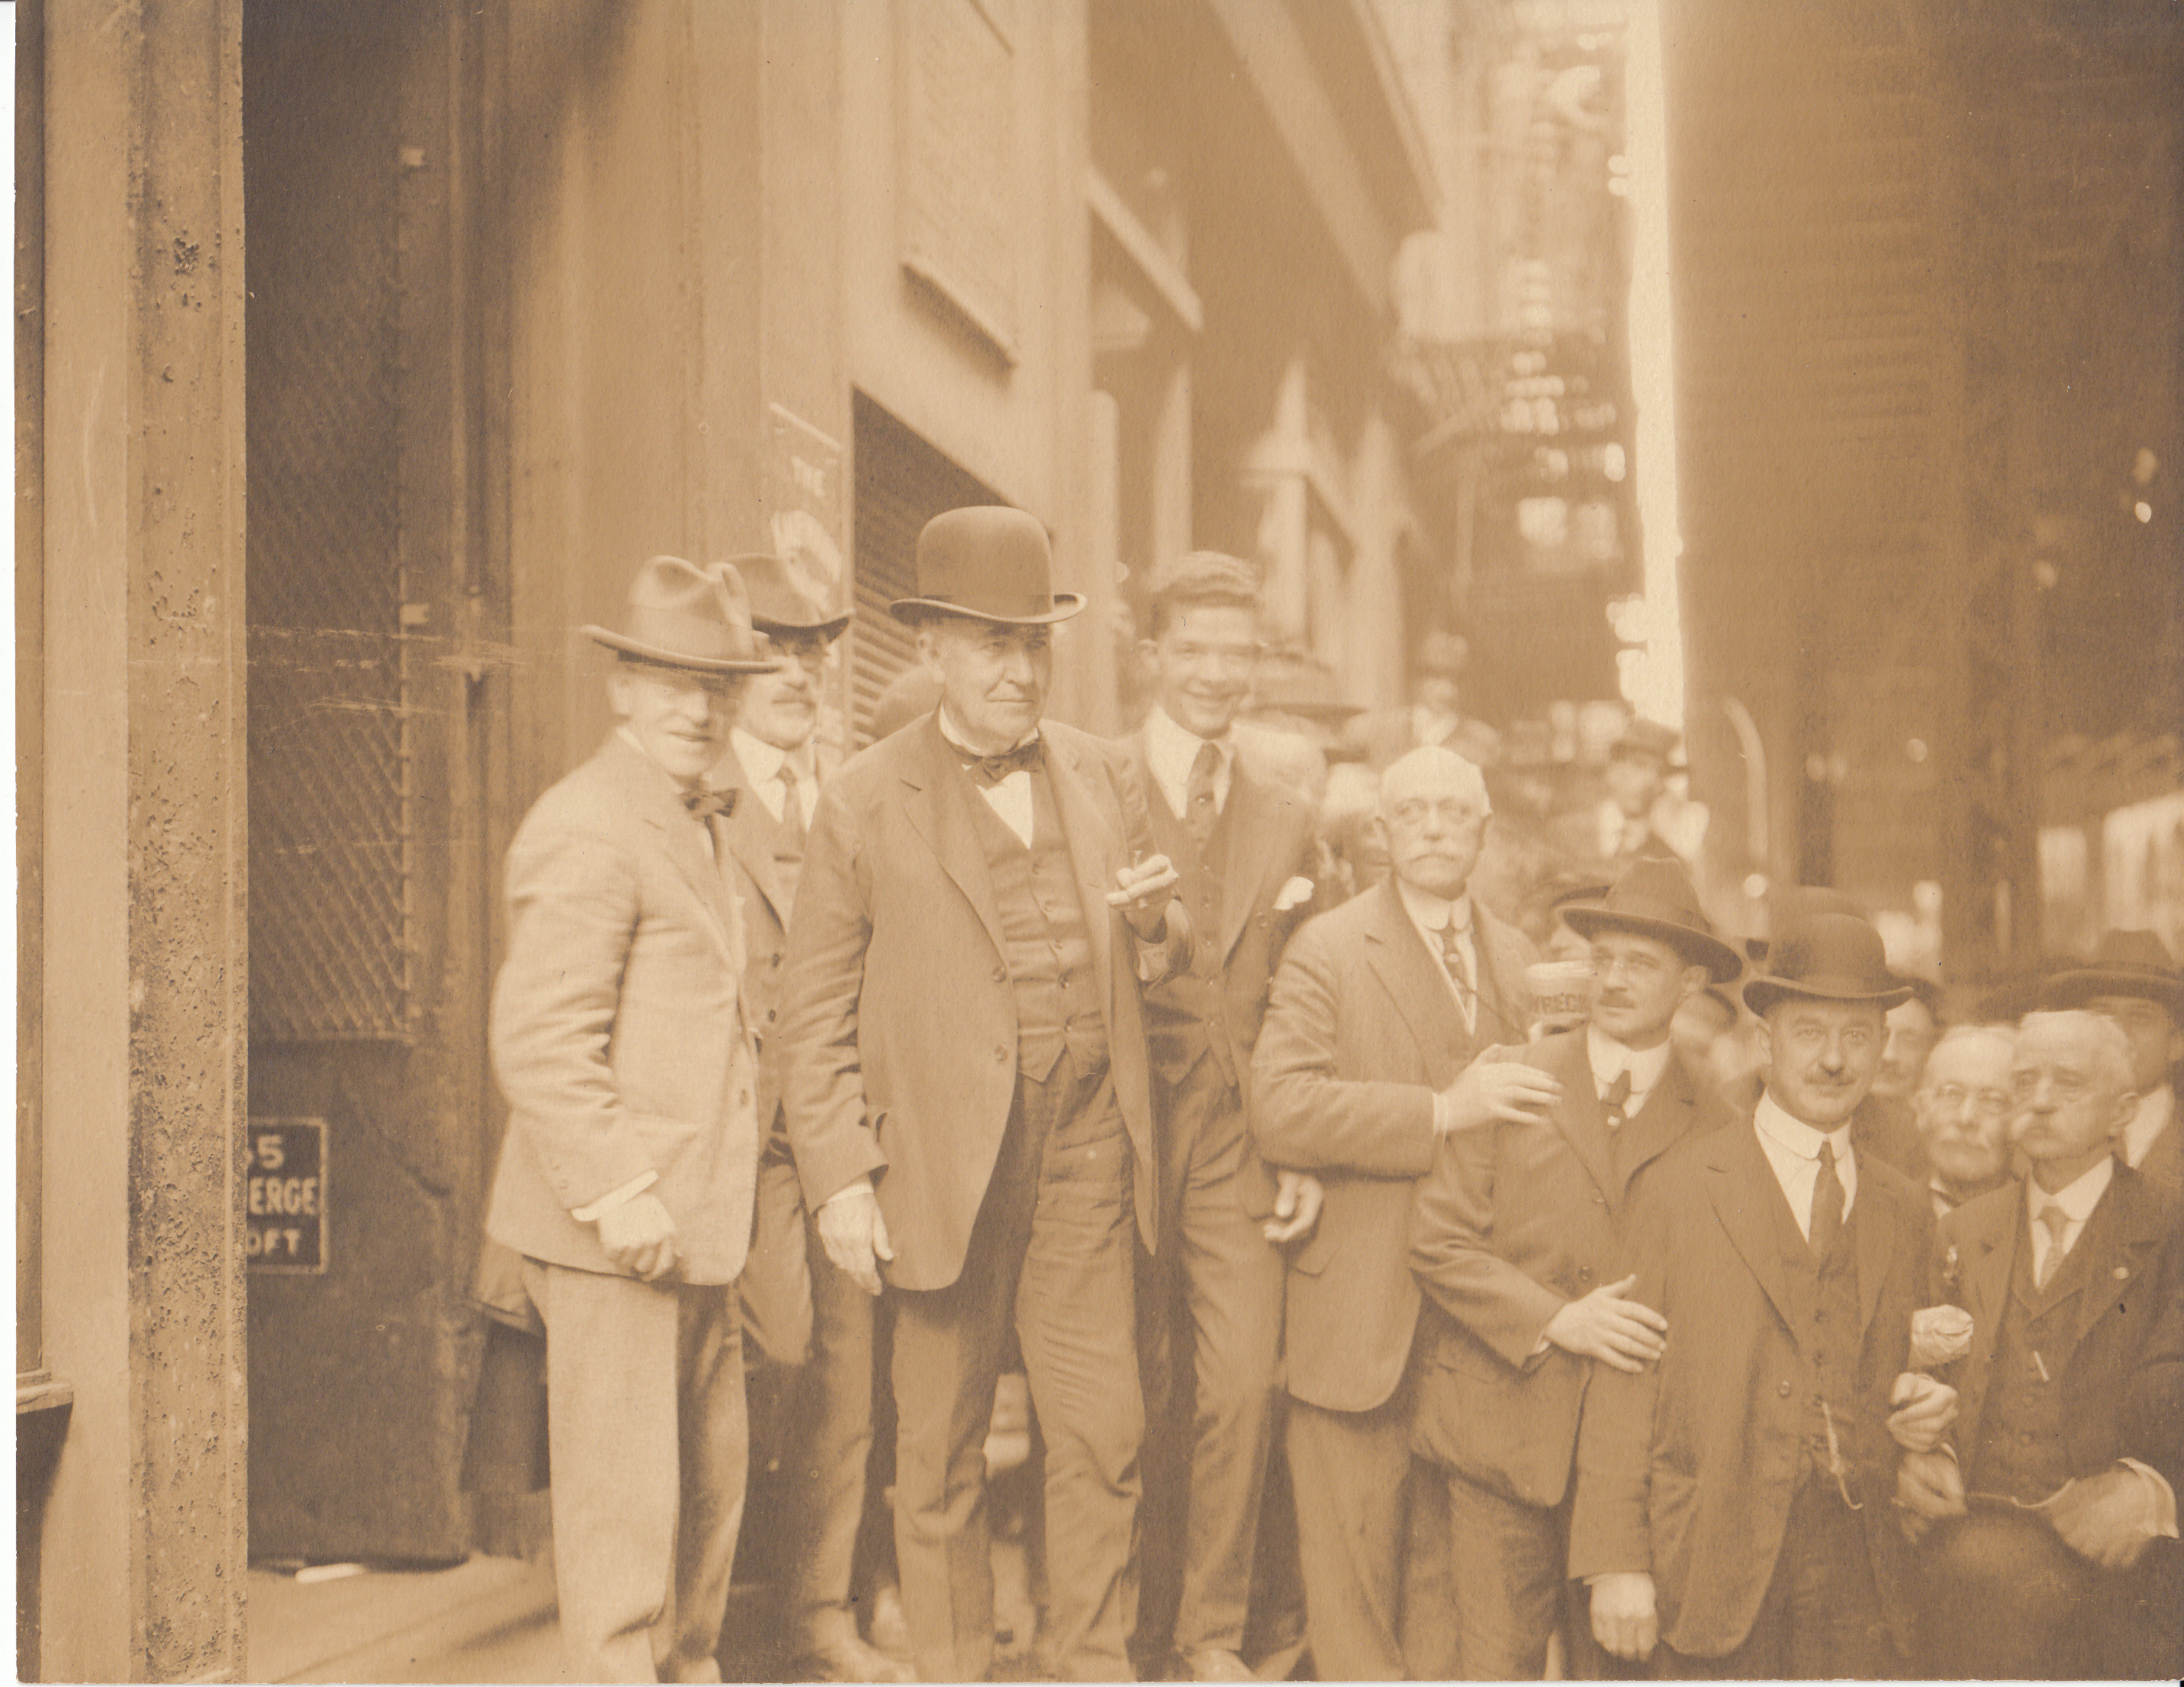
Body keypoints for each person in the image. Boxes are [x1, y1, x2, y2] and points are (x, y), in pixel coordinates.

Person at [776, 506, 1189, 1682]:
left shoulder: (1106, 773)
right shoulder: (862, 799)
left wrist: (1158, 928)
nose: (1020, 671)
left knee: (1104, 1435)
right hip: (940, 1167)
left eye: (1036, 645)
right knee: (940, 1453)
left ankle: (1092, 1666)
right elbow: (807, 1013)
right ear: (934, 652)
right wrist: (842, 1178)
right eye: (993, 645)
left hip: (1088, 1151)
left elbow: (1163, 952)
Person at [482, 557, 779, 1681]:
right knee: (624, 1529)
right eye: (672, 682)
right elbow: (541, 1042)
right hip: (620, 1237)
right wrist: (618, 1193)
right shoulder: (590, 824)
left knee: (706, 1503)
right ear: (623, 690)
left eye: (721, 685)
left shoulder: (693, 818)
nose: (701, 709)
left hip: (699, 1227)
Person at [1569, 909, 1951, 1679]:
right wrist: (1615, 1562)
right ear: (1763, 1040)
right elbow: (1621, 1386)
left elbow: (1912, 1375)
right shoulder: (1679, 1186)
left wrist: (1930, 1424)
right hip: (1710, 1563)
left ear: (1883, 1047)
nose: (1834, 1060)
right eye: (1809, 1032)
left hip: (1860, 1572)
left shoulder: (1901, 1204)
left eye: (1857, 1036)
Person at [1408, 856, 1740, 1680]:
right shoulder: (1509, 1077)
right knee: (1493, 1668)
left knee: (1621, 1667)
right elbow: (1437, 1242)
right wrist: (1556, 1318)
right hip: (1501, 1436)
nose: (1613, 980)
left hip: (1635, 1472)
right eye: (1602, 960)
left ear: (1691, 980)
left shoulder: (1720, 1126)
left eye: (1640, 964)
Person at [1251, 746, 1543, 1679]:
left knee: (1454, 1594)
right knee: (1353, 1592)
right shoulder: (1328, 948)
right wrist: (1437, 1111)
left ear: (1483, 831)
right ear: (1380, 832)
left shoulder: (1524, 961)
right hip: (1359, 1313)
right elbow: (1280, 1106)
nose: (1430, 827)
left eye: (1451, 812)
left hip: (1476, 1321)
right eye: (1409, 810)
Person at [1119, 551, 1324, 1682]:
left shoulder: (1287, 815)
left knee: (1244, 1382)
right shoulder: (1090, 781)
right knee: (1122, 1389)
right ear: (1151, 655)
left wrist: (1297, 1144)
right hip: (1112, 1132)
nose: (1214, 673)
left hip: (1237, 1135)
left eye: (1235, 652)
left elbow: (1303, 988)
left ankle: (1208, 1634)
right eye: (1191, 649)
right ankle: (1107, 1626)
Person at [710, 558, 909, 1683]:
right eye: (774, 649)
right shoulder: (700, 793)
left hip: (838, 1123)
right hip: (729, 1136)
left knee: (848, 1375)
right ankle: (716, 1597)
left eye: (815, 651)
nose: (798, 671)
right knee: (767, 1352)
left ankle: (819, 1611)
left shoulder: (850, 794)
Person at [1897, 1011, 2184, 1678]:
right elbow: (1927, 1382)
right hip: (1968, 1576)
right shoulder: (1963, 1233)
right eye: (2023, 1083)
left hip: (2124, 1589)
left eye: (2069, 1084)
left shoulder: (2170, 1230)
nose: (2042, 1101)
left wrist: (2157, 1492)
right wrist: (1925, 1452)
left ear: (2123, 1111)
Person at [2044, 927, 2184, 1207]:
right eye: (2102, 1014)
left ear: (2177, 1043)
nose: (2118, 1032)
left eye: (2140, 1017)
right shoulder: (2038, 1143)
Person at [1343, 630, 1502, 773]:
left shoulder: (1481, 740)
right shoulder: (1378, 729)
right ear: (1417, 681)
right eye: (1435, 678)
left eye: (1454, 681)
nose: (1446, 690)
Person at [1909, 1024, 2016, 1219]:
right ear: (1922, 1109)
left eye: (1993, 1100)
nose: (1966, 1118)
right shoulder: (1883, 1212)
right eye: (1951, 1094)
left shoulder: (2035, 1223)